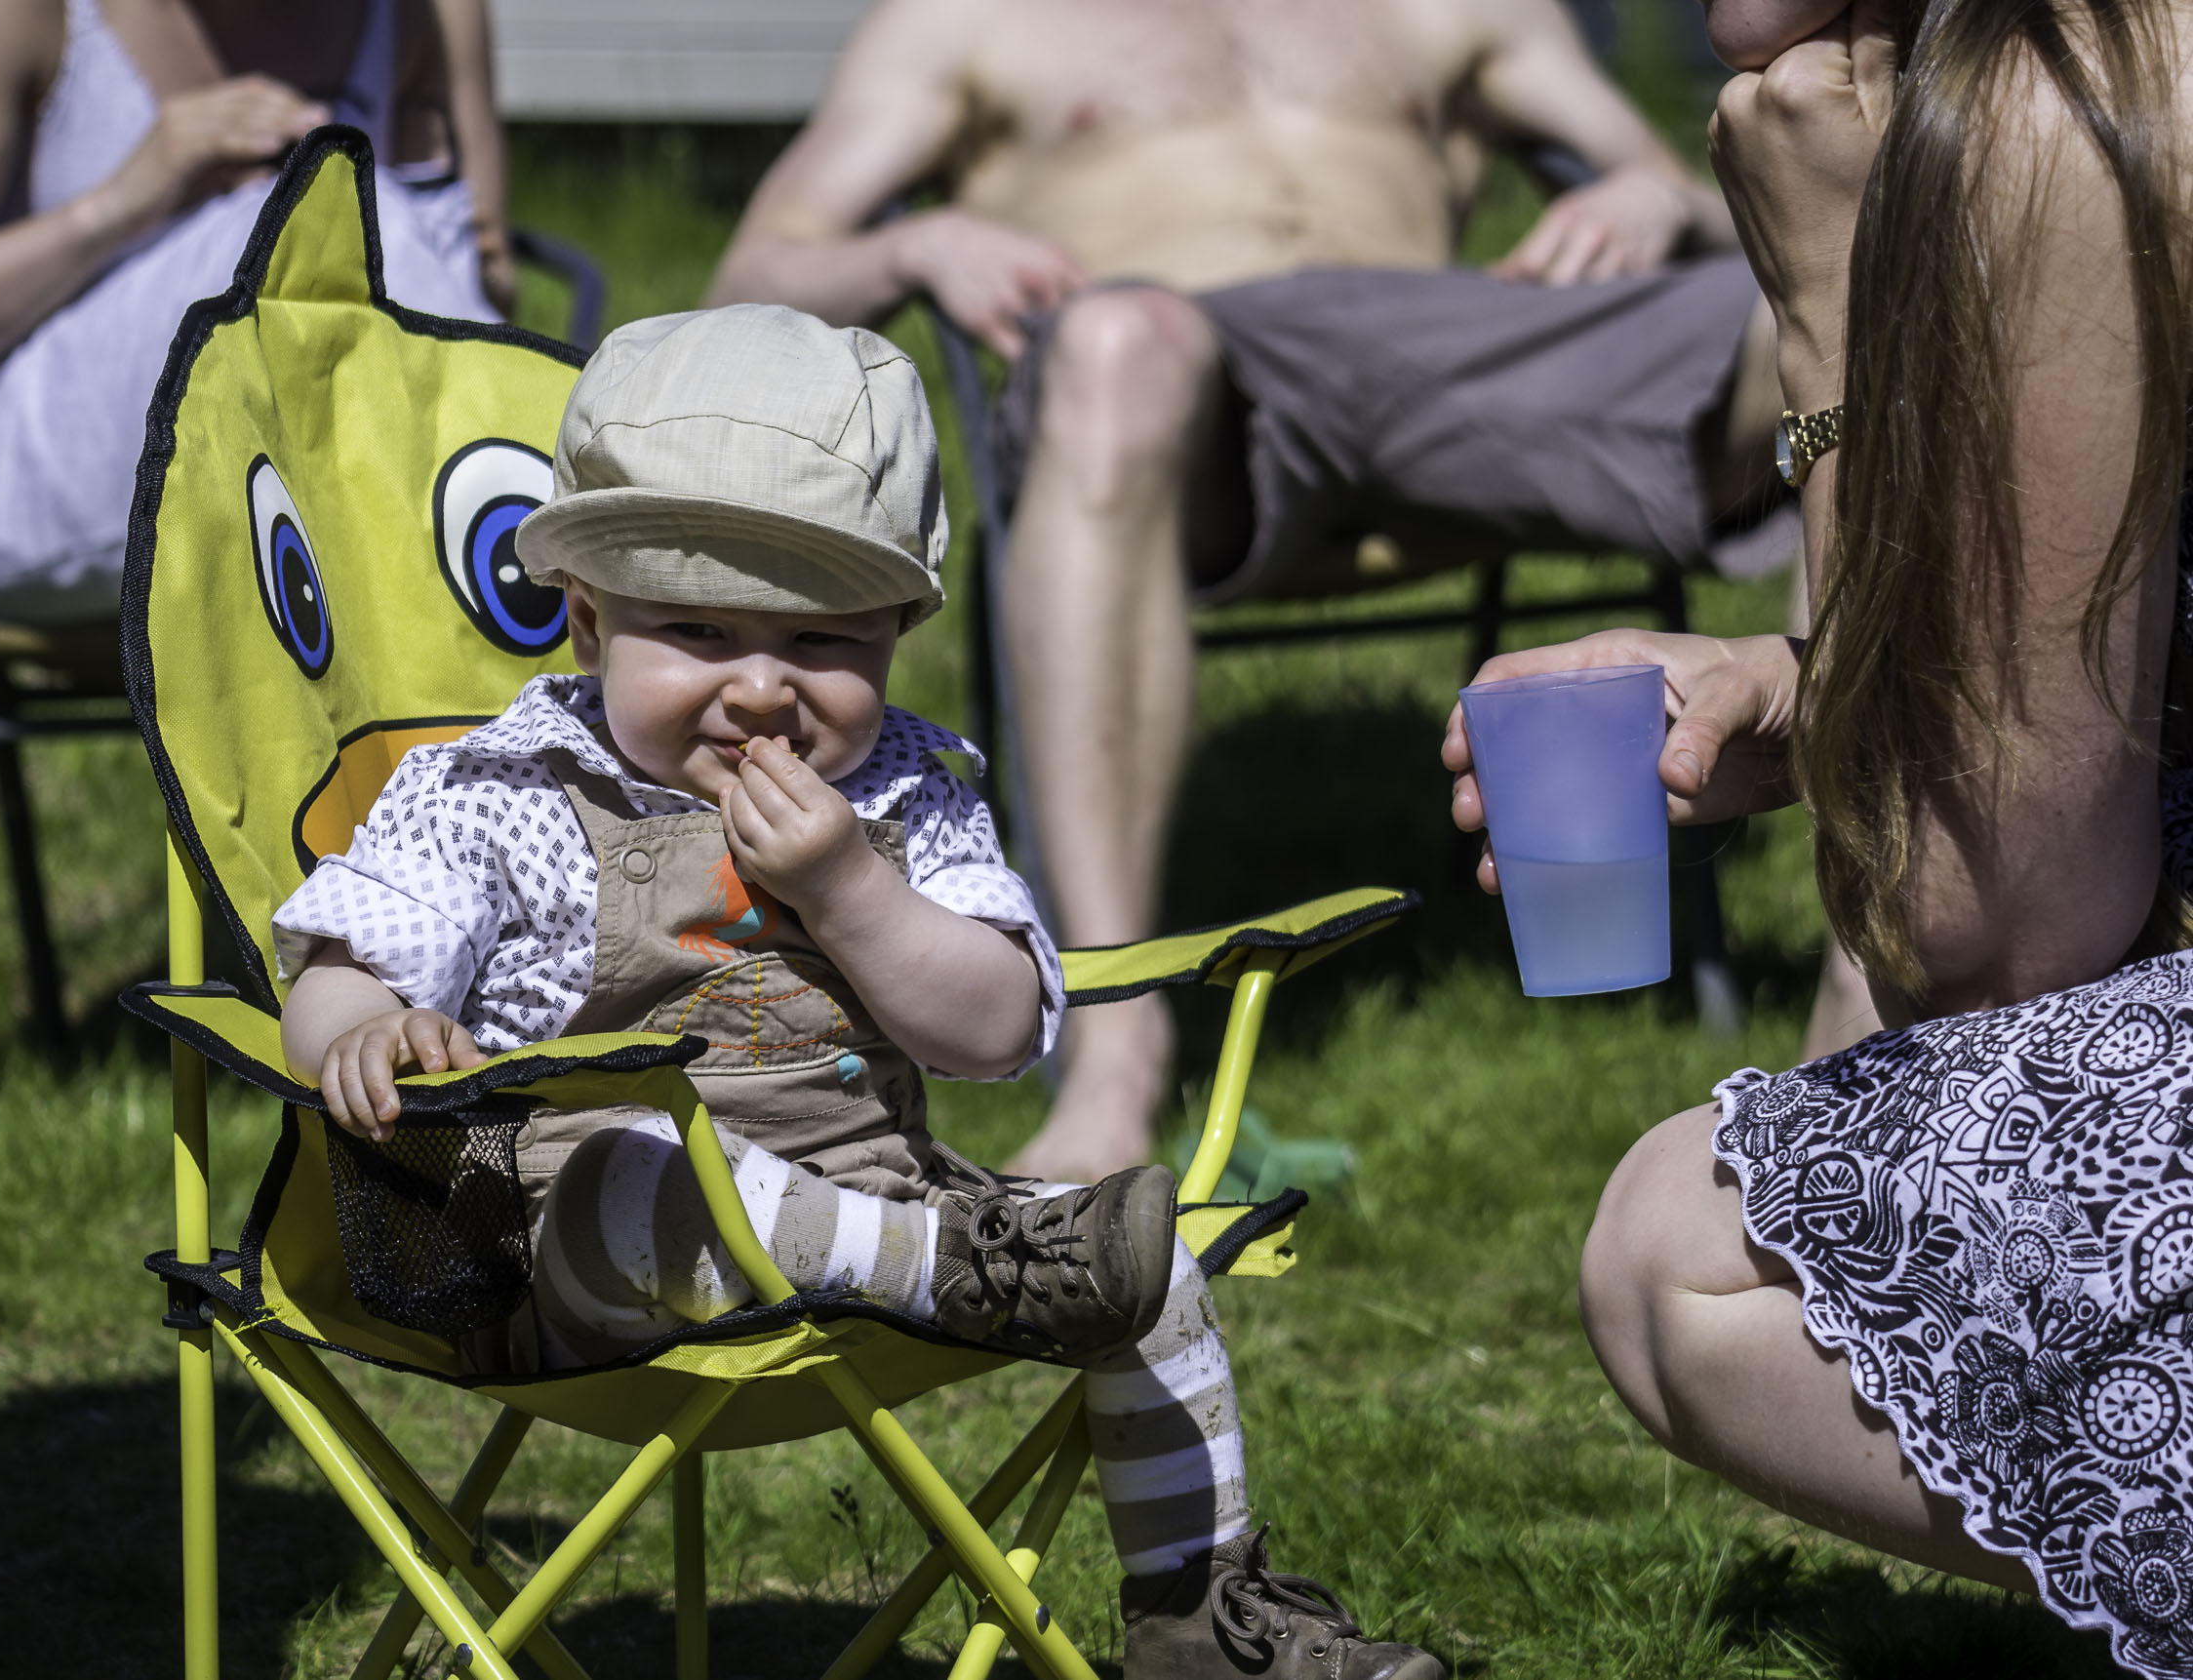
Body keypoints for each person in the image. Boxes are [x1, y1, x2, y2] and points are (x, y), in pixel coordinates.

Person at [275, 304, 1446, 1680]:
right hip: (570, 1263)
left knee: (1152, 1269)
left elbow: (995, 1032)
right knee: (639, 1159)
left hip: (882, 1206)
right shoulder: (498, 794)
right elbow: (340, 966)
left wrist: (853, 893)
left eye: (822, 638)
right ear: (588, 622)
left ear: (895, 628)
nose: (762, 688)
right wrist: (367, 1028)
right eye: (698, 626)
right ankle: (963, 1274)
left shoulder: (904, 796)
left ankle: (1204, 1622)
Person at [704, 0, 1792, 1183]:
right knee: (1117, 345)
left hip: (1466, 353)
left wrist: (1659, 201)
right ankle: (1115, 1053)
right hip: (1178, 377)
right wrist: (913, 248)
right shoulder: (970, 18)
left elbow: (1693, 181)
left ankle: (1890, 968)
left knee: (1853, 300)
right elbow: (749, 278)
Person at [1444, 0, 2193, 1666]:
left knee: (1681, 1252)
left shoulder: (2074, 92)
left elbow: (1982, 931)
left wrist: (1831, 326)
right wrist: (1797, 692)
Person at [0, 0, 513, 621]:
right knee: (314, 221)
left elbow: (487, 277)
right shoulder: (1, 15)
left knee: (344, 225)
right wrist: (120, 207)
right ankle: (521, 553)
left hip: (319, 469)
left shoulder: (426, 11)